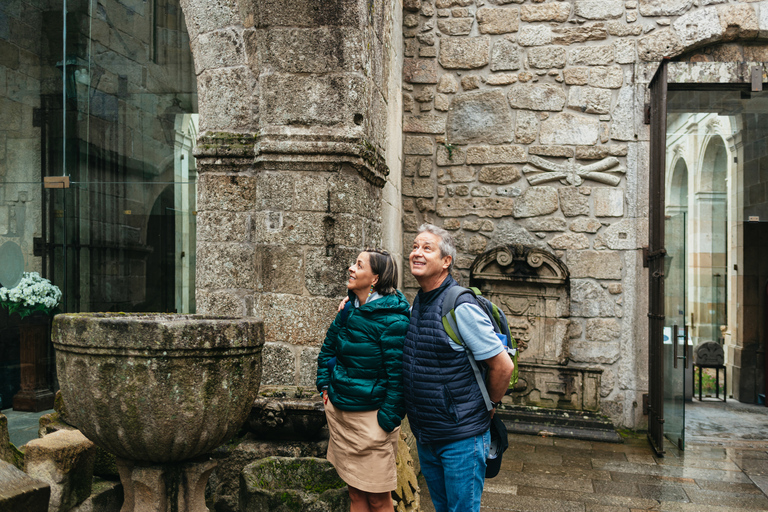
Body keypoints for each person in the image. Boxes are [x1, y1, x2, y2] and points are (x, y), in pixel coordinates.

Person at [403, 224, 514, 512]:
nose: (417, 253)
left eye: (427, 248)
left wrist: (490, 404)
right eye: (415, 246)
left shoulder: (459, 306)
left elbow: (503, 366)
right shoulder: (419, 304)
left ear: (446, 261)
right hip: (428, 434)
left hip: (461, 437)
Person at [316, 248, 411, 512]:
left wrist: (386, 420)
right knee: (355, 494)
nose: (351, 268)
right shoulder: (349, 309)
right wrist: (324, 386)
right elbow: (328, 350)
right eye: (354, 263)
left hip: (371, 422)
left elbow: (398, 378)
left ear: (375, 278)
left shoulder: (393, 321)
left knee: (379, 500)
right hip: (341, 413)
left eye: (359, 265)